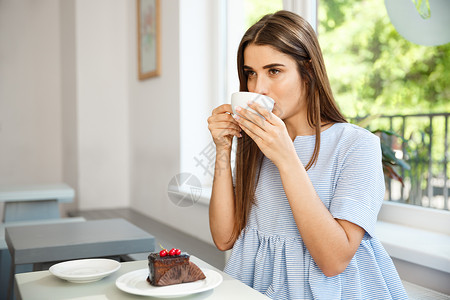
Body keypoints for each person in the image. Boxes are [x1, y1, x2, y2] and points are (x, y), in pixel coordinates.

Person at [207, 10, 408, 300]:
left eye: (274, 71)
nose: (258, 88)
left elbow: (333, 260)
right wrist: (223, 150)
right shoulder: (257, 143)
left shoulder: (356, 145)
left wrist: (287, 159)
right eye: (251, 73)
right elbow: (224, 238)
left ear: (309, 71)